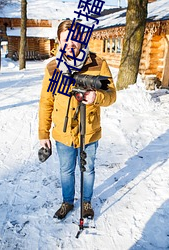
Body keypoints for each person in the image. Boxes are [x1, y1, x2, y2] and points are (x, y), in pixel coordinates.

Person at [38, 20, 116, 220]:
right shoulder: (52, 68)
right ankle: (67, 202)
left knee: (87, 168)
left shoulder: (98, 64)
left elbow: (111, 95)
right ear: (59, 42)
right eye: (66, 40)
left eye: (75, 40)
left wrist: (96, 97)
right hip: (63, 133)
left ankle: (87, 202)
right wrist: (43, 134)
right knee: (66, 170)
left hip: (89, 130)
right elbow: (46, 102)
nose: (70, 45)